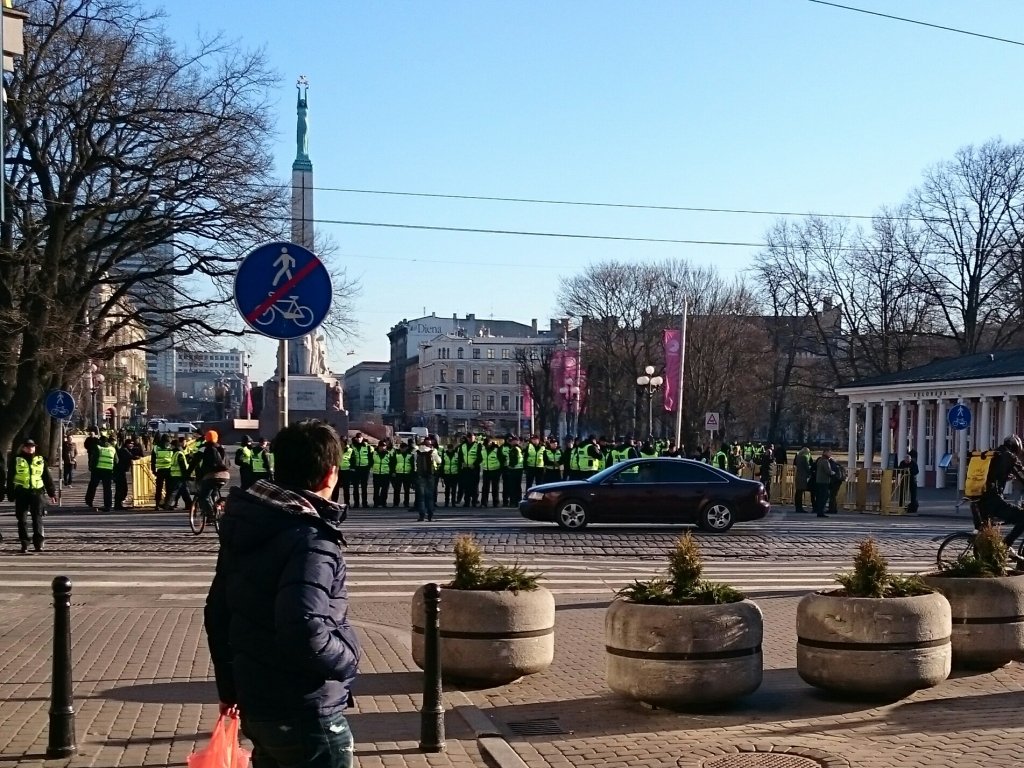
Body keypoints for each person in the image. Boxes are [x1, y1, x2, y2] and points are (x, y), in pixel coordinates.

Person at [205, 419, 359, 768]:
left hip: (259, 705)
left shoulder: (250, 521)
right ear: (330, 474)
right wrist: (348, 658)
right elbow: (304, 626)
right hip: (306, 710)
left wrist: (229, 690)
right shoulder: (312, 539)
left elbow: (217, 613)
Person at [7, 439, 56, 553]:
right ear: (23, 447)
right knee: (22, 519)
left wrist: (52, 492)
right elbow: (10, 477)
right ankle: (24, 543)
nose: (30, 448)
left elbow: (47, 477)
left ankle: (38, 543)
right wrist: (10, 493)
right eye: (28, 446)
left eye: (32, 446)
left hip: (37, 492)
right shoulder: (16, 460)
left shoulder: (40, 460)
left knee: (37, 518)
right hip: (21, 492)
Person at [978, 435, 1024, 546]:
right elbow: (1022, 475)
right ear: (1016, 447)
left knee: (988, 530)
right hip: (994, 502)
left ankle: (989, 552)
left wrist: (1006, 478)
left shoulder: (994, 454)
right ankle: (1006, 545)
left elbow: (993, 476)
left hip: (980, 500)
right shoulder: (1009, 456)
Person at [195, 430, 230, 516]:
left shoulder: (204, 448)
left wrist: (187, 474)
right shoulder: (222, 448)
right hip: (225, 476)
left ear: (206, 438)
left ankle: (211, 515)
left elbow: (194, 462)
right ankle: (218, 504)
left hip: (211, 476)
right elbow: (228, 463)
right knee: (214, 491)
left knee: (203, 497)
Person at [85, 435, 116, 512]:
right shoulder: (112, 449)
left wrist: (92, 467)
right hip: (108, 471)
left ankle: (89, 501)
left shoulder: (98, 447)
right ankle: (108, 505)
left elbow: (94, 458)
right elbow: (116, 460)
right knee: (107, 489)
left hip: (97, 470)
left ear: (100, 441)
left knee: (93, 485)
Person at [414, 436, 441, 521]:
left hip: (420, 475)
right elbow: (439, 461)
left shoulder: (416, 451)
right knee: (429, 496)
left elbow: (414, 463)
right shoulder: (433, 451)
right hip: (430, 475)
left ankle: (421, 515)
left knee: (421, 497)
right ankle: (430, 515)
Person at [812, 448, 840, 518]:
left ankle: (819, 511)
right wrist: (833, 473)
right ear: (826, 452)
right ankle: (821, 511)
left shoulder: (820, 460)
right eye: (829, 453)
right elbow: (828, 471)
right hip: (824, 481)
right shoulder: (825, 461)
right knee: (824, 497)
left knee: (821, 496)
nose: (830, 454)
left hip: (819, 480)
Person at [114, 438, 134, 510]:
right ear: (126, 444)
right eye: (130, 443)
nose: (132, 445)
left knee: (122, 488)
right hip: (119, 472)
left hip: (121, 472)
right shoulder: (124, 450)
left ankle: (118, 504)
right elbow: (131, 457)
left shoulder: (125, 450)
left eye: (132, 444)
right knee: (121, 489)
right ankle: (118, 504)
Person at [793, 447, 814, 514]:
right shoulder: (804, 458)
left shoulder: (798, 457)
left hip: (798, 476)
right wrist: (811, 472)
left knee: (798, 492)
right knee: (800, 492)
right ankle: (800, 508)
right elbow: (807, 467)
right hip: (803, 477)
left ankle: (797, 507)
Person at [899, 449, 920, 513]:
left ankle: (913, 505)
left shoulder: (913, 463)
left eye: (908, 461)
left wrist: (910, 472)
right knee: (902, 492)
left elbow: (916, 471)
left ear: (910, 459)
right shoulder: (902, 463)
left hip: (912, 479)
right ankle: (901, 505)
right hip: (904, 479)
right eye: (906, 461)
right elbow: (899, 469)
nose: (907, 462)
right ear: (904, 460)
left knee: (913, 493)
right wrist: (903, 471)